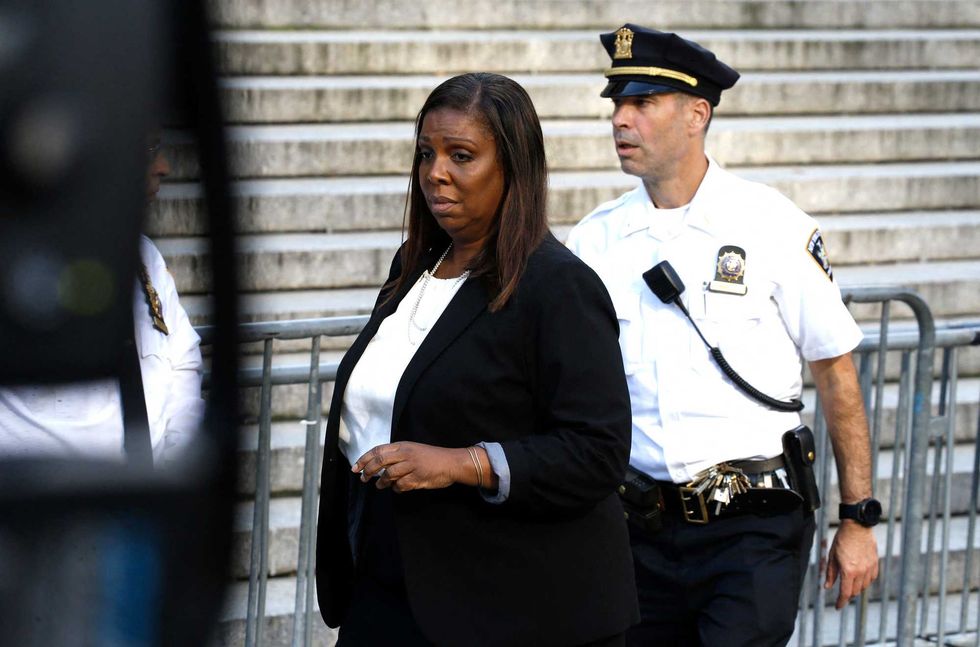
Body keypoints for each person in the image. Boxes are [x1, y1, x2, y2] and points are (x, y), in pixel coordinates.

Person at [565, 25, 881, 646]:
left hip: (751, 529)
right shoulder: (593, 240)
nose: (620, 120)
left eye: (642, 103)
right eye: (617, 105)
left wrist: (858, 518)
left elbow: (835, 372)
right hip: (635, 532)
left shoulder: (771, 225)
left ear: (696, 115)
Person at [316, 72, 638, 646]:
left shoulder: (557, 286)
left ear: (512, 166)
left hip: (511, 608)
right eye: (426, 153)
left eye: (461, 155)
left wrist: (463, 463)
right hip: (391, 579)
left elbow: (599, 451)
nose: (435, 172)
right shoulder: (412, 266)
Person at [0, 134, 204, 463]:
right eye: (148, 149)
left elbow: (182, 361)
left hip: (141, 496)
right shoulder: (16, 261)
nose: (163, 167)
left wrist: (174, 458)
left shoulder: (144, 255)